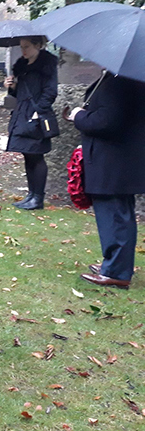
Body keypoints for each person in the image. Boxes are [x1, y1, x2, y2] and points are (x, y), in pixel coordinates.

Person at [66, 71, 145, 290]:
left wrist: (79, 116)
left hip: (112, 162)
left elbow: (107, 121)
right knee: (118, 215)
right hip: (117, 161)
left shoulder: (120, 82)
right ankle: (116, 265)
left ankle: (116, 272)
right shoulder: (125, 79)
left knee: (115, 216)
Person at [4, 37, 59, 210]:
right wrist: (12, 87)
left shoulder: (46, 65)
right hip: (22, 113)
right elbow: (19, 94)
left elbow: (50, 92)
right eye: (22, 47)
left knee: (36, 155)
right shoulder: (21, 66)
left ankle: (38, 197)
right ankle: (31, 195)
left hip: (36, 115)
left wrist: (38, 112)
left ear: (38, 45)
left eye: (27, 47)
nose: (23, 51)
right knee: (27, 153)